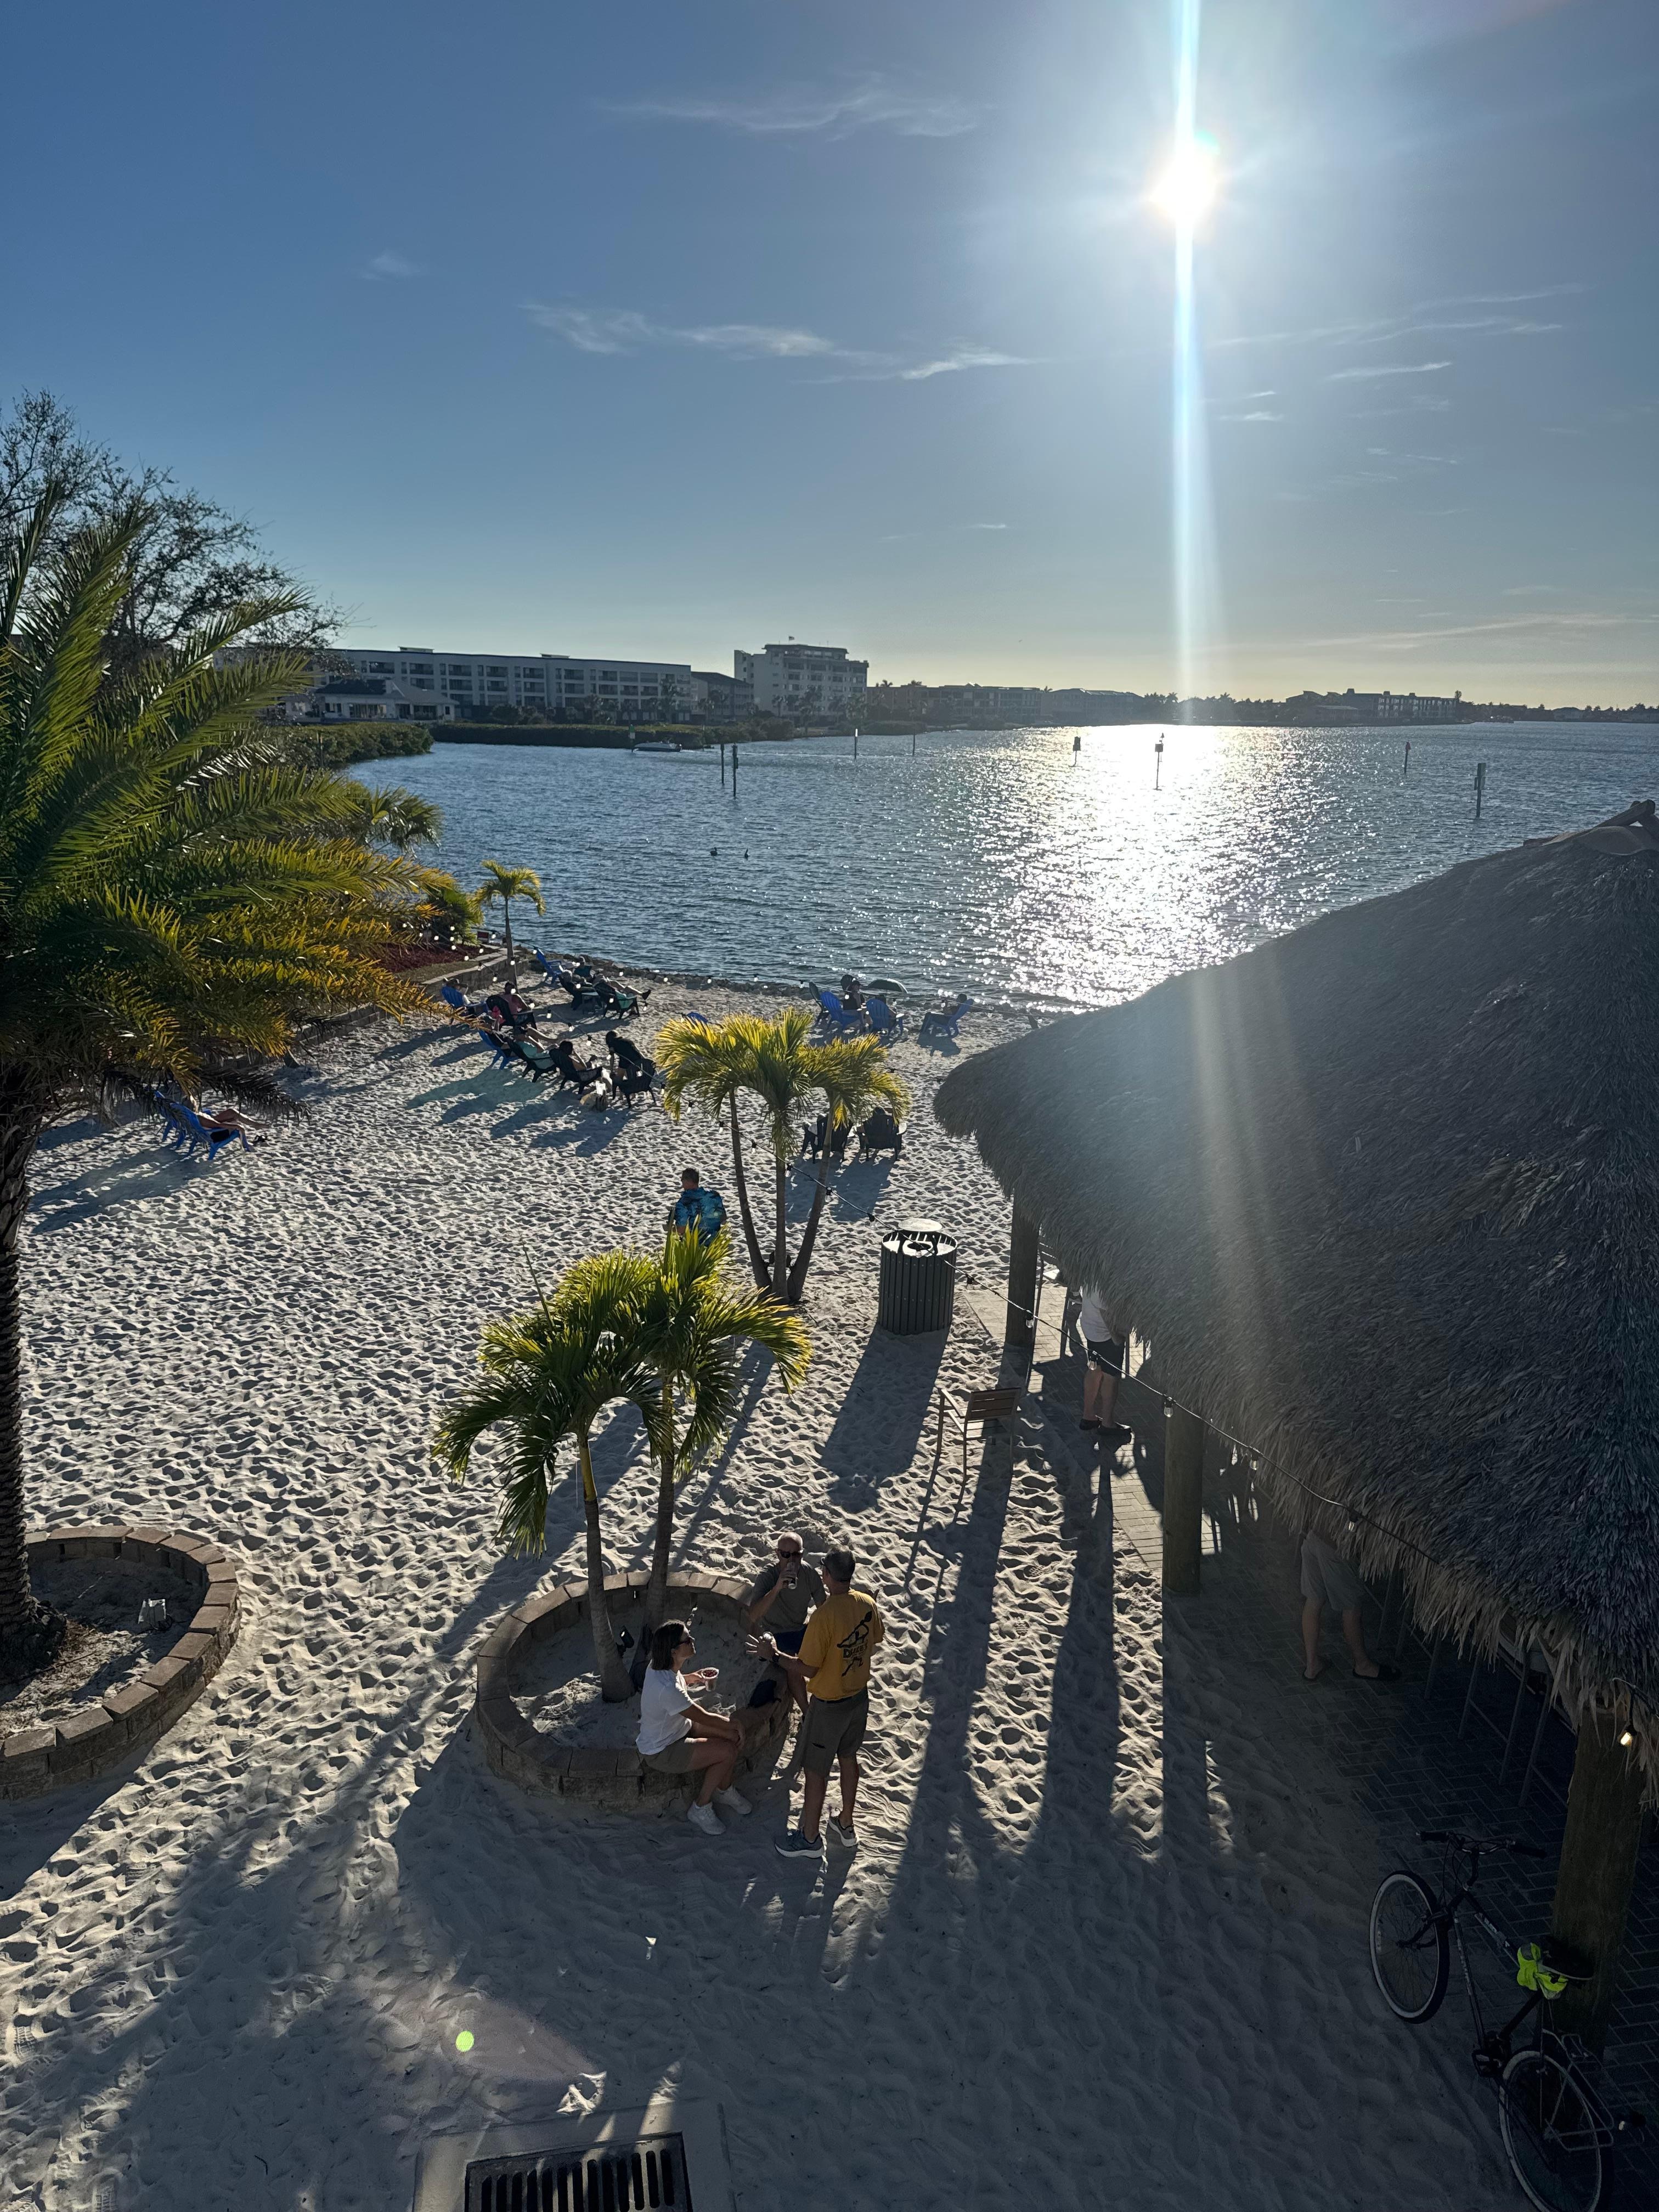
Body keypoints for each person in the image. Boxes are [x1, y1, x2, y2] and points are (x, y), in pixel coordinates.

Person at [756, 1548, 884, 1859]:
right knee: (849, 1758)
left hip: (829, 1706)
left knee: (816, 1771)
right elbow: (876, 1639)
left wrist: (774, 1656)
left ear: (827, 1575)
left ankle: (810, 1839)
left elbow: (807, 1669)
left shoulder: (823, 1616)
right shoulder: (866, 1602)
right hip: (858, 1698)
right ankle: (845, 1824)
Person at [636, 1618, 752, 1834]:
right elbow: (704, 1717)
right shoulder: (668, 1690)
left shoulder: (659, 1666)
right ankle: (701, 1807)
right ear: (674, 1651)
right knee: (727, 1751)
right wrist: (734, 1723)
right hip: (663, 1750)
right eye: (687, 1640)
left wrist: (692, 1678)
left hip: (679, 1728)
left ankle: (724, 1790)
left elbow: (675, 1678)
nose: (693, 1641)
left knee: (732, 1738)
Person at [1300, 1530, 1400, 1684]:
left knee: (1314, 1600)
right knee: (1352, 1609)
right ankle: (1363, 1665)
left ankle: (1312, 1666)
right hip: (1336, 1546)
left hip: (1314, 1536)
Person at [745, 1534, 826, 1713]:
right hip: (775, 1633)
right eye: (786, 1555)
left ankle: (824, 1703)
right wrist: (776, 1589)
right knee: (793, 1666)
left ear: (802, 1554)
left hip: (799, 1629)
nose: (791, 1560)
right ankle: (807, 1714)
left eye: (796, 1555)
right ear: (778, 1554)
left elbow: (823, 1608)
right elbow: (753, 1616)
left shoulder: (808, 1573)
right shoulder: (768, 1576)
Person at [1076, 1284, 1131, 1443]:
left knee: (1094, 1370)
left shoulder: (1093, 1275)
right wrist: (1119, 1338)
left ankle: (1088, 1416)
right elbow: (1109, 1315)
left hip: (1091, 1328)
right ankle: (1108, 1423)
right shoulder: (1105, 1287)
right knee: (1111, 1377)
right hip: (1105, 1334)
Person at [670, 1168, 726, 1242]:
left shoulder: (684, 1202)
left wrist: (672, 1228)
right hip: (714, 1242)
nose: (682, 1184)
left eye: (682, 1180)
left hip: (694, 1245)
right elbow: (723, 1218)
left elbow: (681, 1229)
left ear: (687, 1182)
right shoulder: (714, 1196)